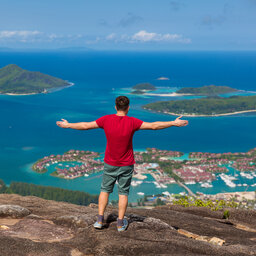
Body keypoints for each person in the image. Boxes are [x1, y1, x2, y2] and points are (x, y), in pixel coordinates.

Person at [56, 95, 188, 232]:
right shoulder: (132, 122)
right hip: (126, 164)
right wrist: (173, 122)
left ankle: (100, 220)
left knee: (105, 190)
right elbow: (154, 126)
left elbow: (85, 126)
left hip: (110, 163)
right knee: (123, 193)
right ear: (128, 108)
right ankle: (120, 223)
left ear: (115, 107)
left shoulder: (106, 120)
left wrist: (68, 125)